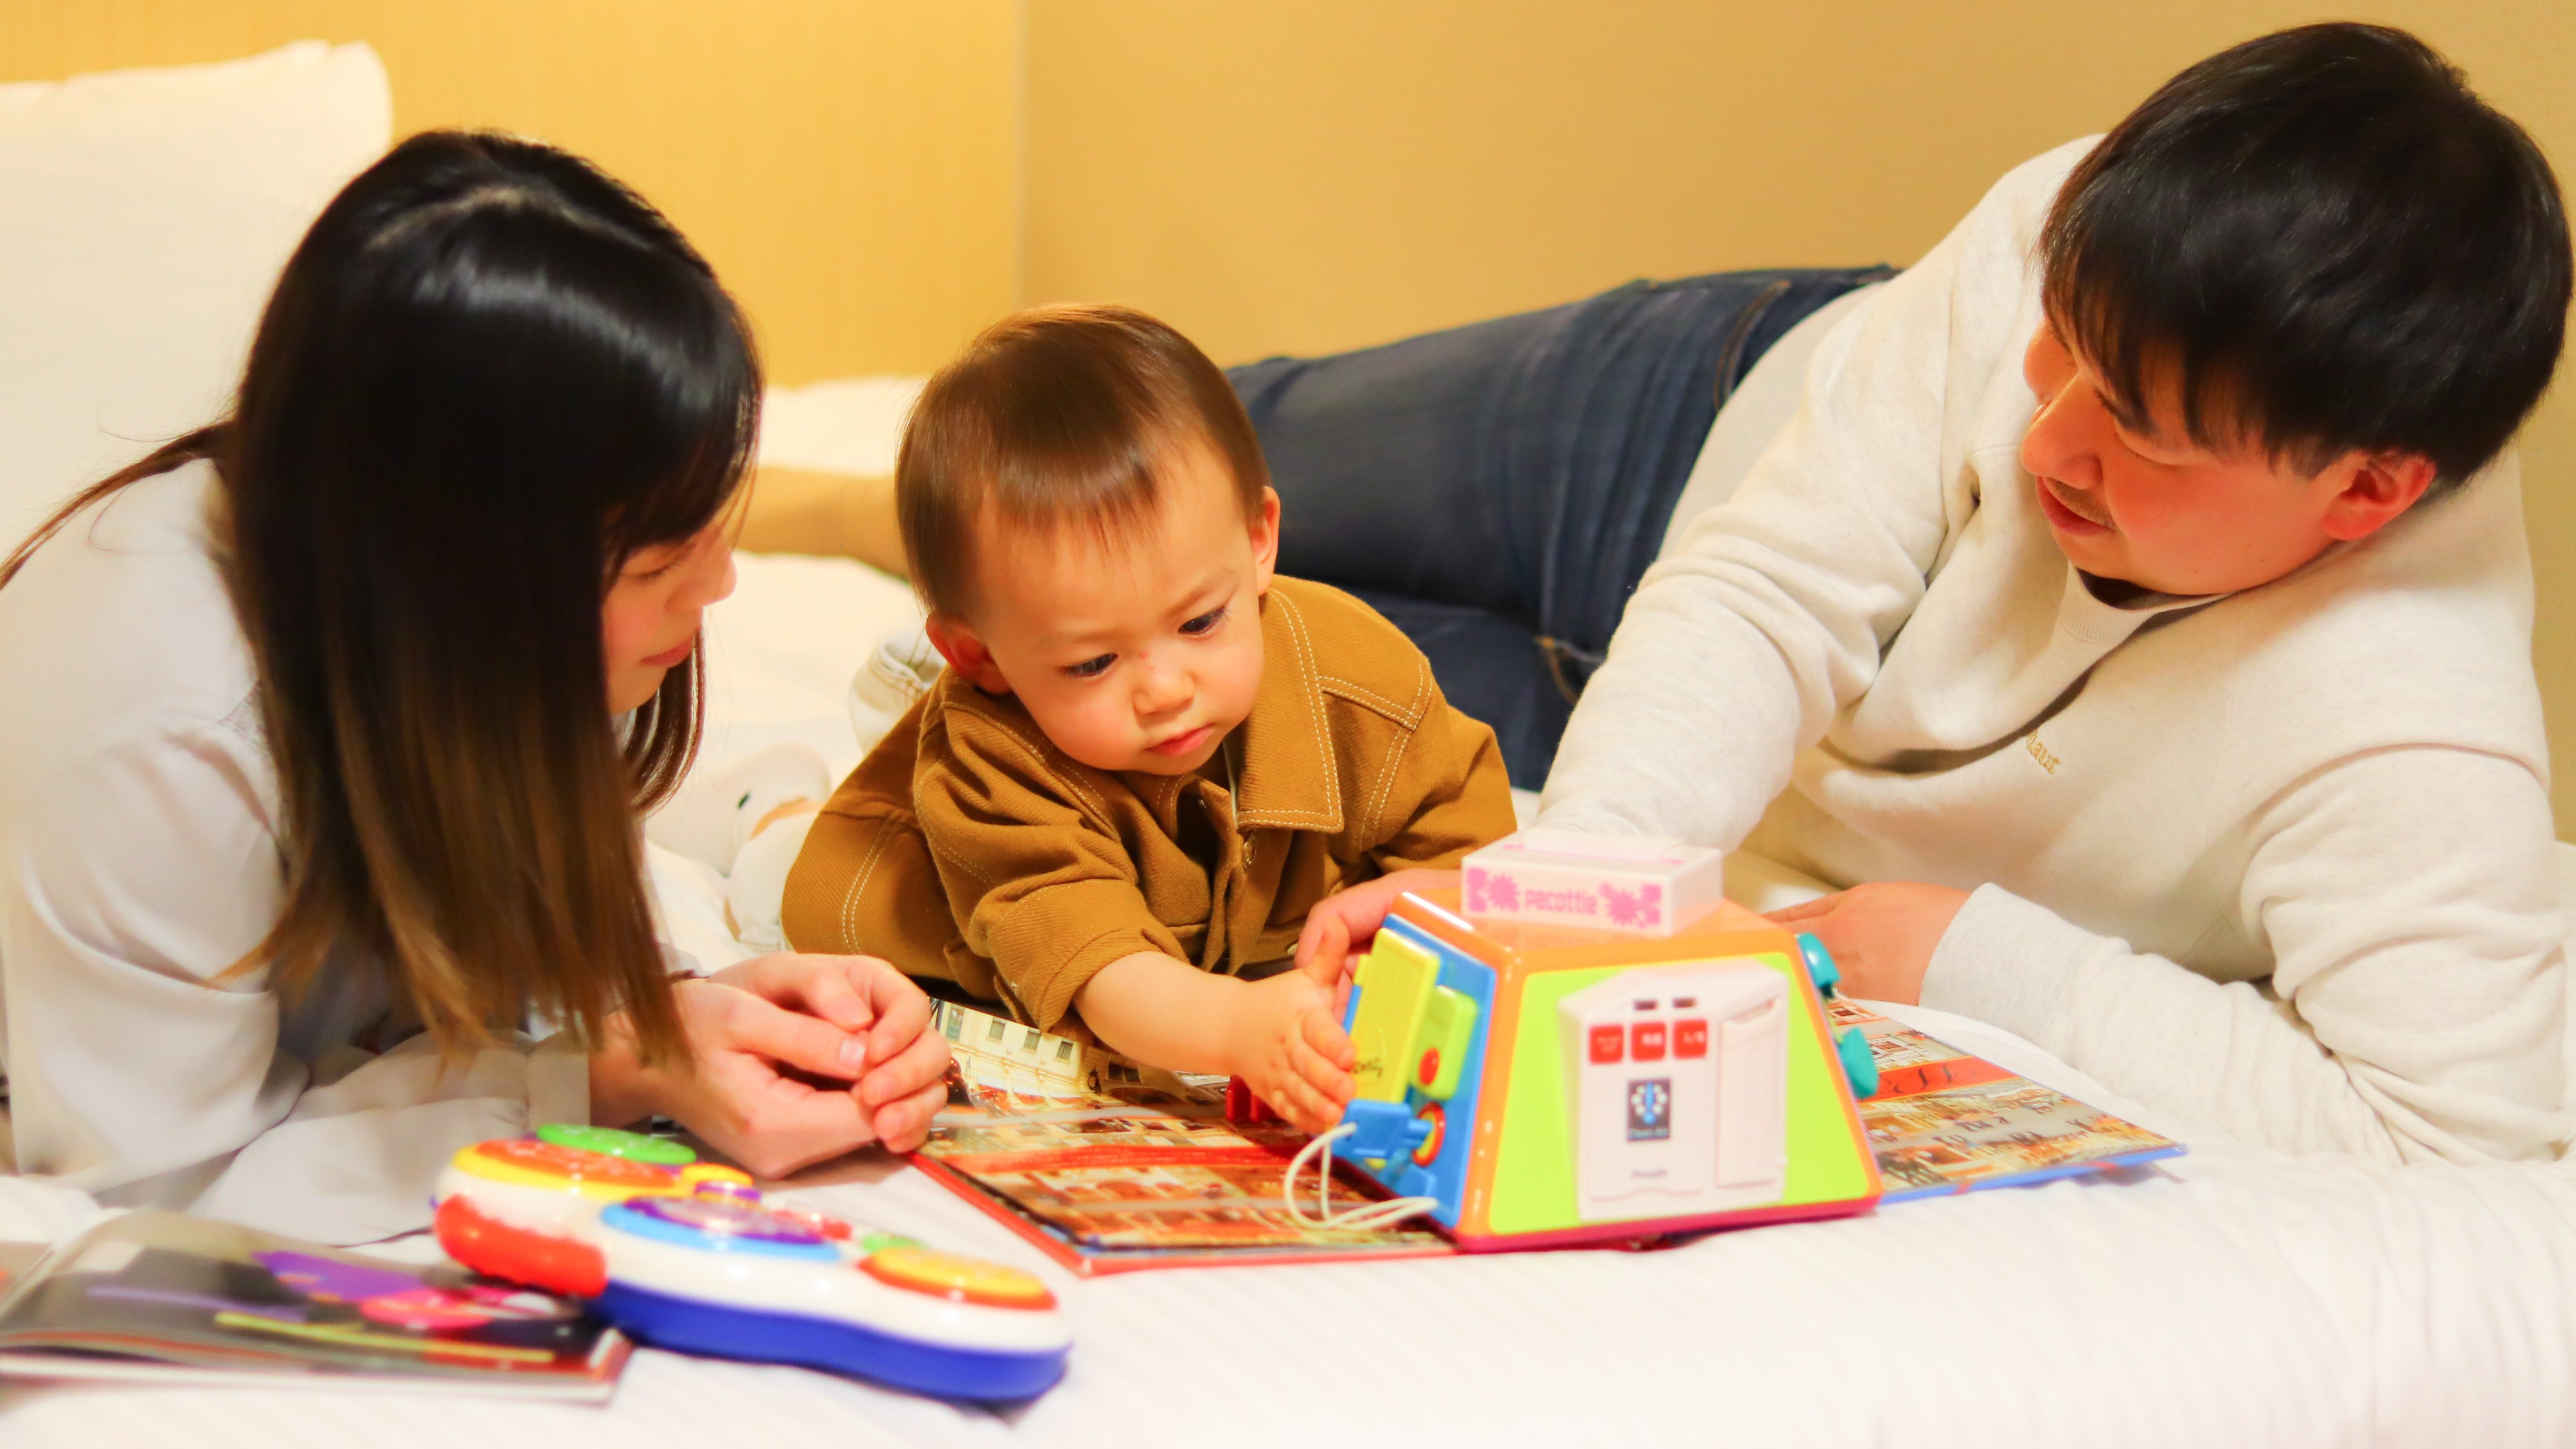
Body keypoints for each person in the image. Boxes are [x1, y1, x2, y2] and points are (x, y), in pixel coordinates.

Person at [1525, 23, 2571, 1164]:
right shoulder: (2076, 221)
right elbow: (1765, 587)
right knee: (1296, 458)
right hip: (1693, 427)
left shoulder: (2410, 729)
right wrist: (1584, 886)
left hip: (1661, 728)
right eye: (2053, 342)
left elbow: (2460, 1137)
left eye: (2133, 426)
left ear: (2363, 490)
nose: (2043, 444)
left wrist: (1971, 960)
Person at [0, 131, 951, 1243]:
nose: (721, 585)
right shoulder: (156, 722)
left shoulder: (465, 625)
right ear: (459, 574)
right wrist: (596, 1075)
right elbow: (154, 1194)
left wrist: (705, 1008)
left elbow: (523, 944)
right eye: (657, 563)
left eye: (710, 525)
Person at [763, 305, 1518, 1133]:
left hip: (1226, 932)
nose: (1164, 690)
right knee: (776, 878)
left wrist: (1434, 909)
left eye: (1200, 623)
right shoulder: (993, 762)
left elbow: (1475, 863)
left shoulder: (1357, 681)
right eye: (1093, 663)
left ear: (1260, 540)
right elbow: (1106, 973)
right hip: (939, 899)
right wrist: (1239, 1027)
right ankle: (768, 797)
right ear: (979, 656)